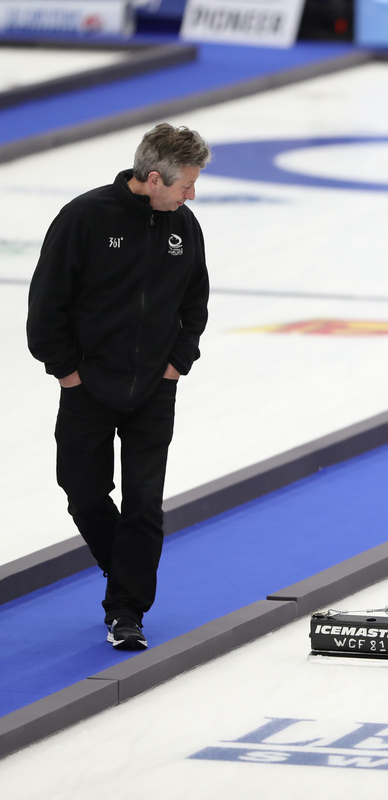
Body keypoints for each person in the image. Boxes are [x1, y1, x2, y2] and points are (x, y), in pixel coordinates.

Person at [27, 123, 212, 650]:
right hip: (87, 386)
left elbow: (194, 305)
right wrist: (67, 373)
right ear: (154, 179)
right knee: (82, 492)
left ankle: (127, 611)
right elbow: (46, 306)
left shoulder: (184, 227)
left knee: (144, 504)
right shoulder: (85, 217)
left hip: (154, 389)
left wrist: (177, 364)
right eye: (185, 186)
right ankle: (125, 574)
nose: (191, 195)